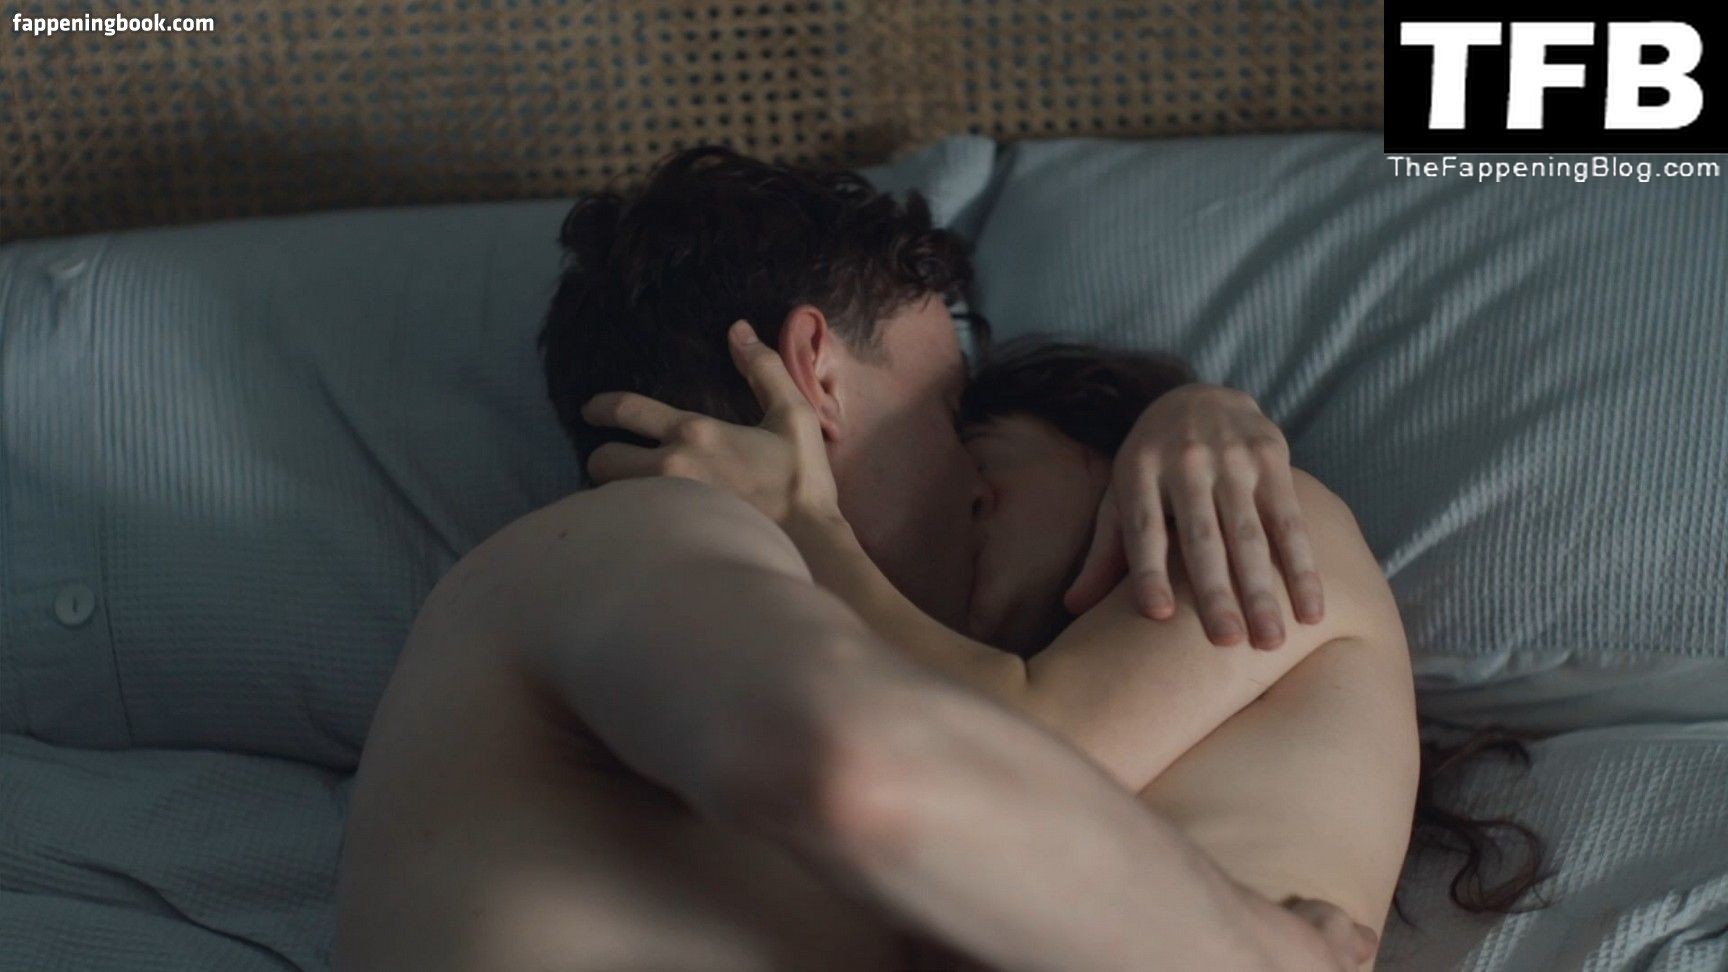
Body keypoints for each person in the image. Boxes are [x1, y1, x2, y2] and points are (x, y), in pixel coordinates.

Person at [334, 146, 1382, 971]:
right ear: (819, 378)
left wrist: (1184, 406)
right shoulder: (636, 536)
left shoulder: (620, 605)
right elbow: (887, 774)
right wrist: (1265, 948)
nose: (966, 477)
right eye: (951, 412)